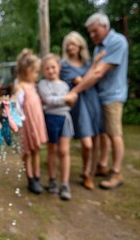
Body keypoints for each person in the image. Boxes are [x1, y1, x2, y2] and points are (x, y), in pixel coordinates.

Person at [68, 12, 129, 190]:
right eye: (90, 33)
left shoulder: (117, 42)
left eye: (95, 31)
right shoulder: (98, 48)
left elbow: (98, 73)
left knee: (114, 133)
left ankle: (116, 173)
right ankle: (102, 165)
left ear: (105, 26)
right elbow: (93, 71)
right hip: (99, 96)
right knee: (103, 134)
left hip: (112, 96)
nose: (92, 36)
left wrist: (75, 91)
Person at [60, 31, 104, 190]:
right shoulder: (64, 65)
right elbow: (84, 81)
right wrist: (94, 68)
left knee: (96, 139)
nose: (70, 47)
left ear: (80, 45)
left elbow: (94, 79)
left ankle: (88, 173)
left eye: (73, 44)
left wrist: (93, 67)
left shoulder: (87, 63)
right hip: (79, 106)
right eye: (68, 45)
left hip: (93, 101)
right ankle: (86, 172)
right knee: (87, 144)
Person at [37, 53, 77, 200]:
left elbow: (69, 104)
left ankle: (65, 183)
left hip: (65, 119)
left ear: (59, 67)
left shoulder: (65, 85)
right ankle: (53, 180)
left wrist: (70, 101)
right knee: (52, 150)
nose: (51, 71)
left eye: (53, 67)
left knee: (64, 151)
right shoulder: (42, 84)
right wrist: (67, 98)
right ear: (43, 71)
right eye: (47, 68)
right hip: (50, 120)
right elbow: (48, 100)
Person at [15, 49, 48, 194]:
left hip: (37, 122)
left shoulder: (34, 86)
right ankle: (30, 179)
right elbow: (17, 107)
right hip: (27, 125)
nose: (37, 75)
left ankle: (37, 176)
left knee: (36, 150)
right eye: (36, 72)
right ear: (29, 71)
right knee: (27, 151)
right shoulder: (20, 87)